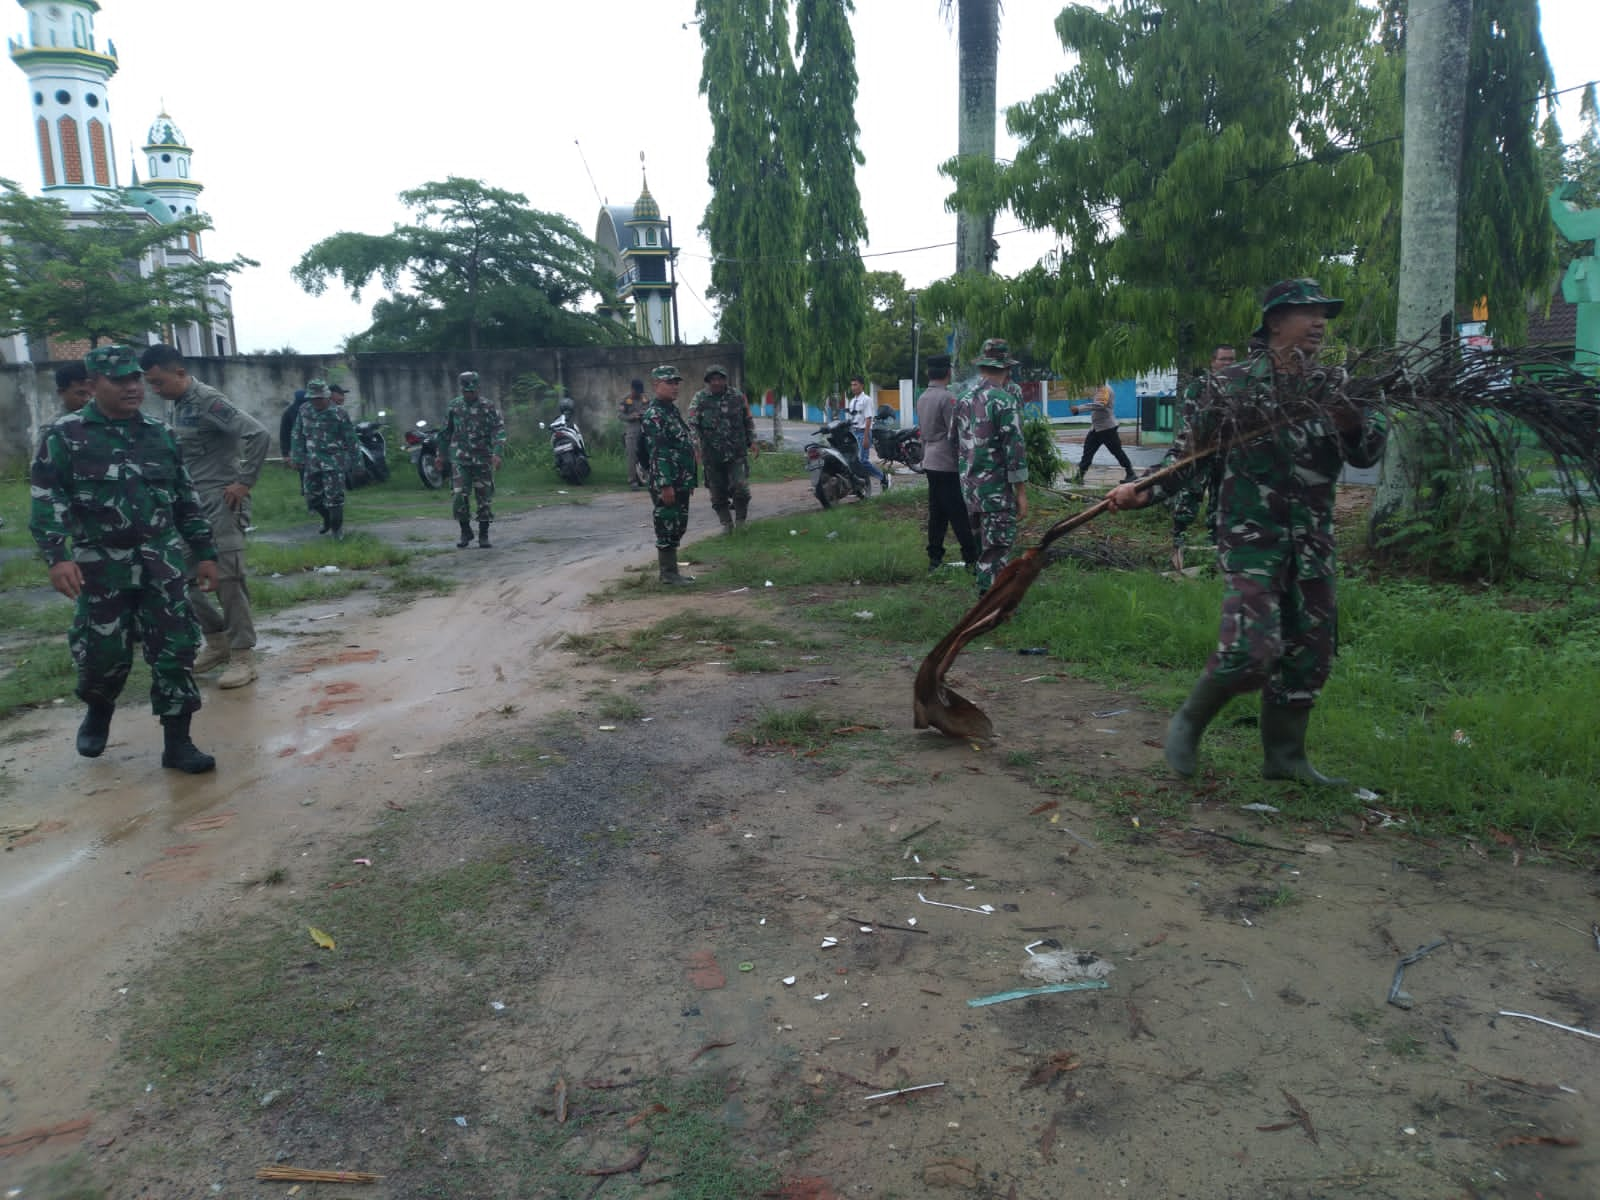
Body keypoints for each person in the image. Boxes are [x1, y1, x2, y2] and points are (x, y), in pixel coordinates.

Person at [1107, 278, 1387, 785]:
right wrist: (1142, 490)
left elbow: (1368, 454)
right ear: (1275, 321)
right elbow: (1188, 458)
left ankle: (1285, 759)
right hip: (1252, 540)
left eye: (1325, 313)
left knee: (1310, 651)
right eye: (1308, 312)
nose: (1320, 322)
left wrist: (1351, 423)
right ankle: (1190, 721)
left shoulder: (1336, 386)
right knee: (1251, 650)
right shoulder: (1227, 386)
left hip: (1314, 542)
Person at [28, 345, 219, 773]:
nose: (133, 387)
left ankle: (178, 742)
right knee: (102, 655)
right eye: (120, 381)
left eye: (136, 378)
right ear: (94, 385)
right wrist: (57, 558)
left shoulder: (160, 434)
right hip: (100, 568)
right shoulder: (64, 435)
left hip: (161, 563)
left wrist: (205, 553)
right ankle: (98, 709)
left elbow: (185, 500)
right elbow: (46, 498)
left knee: (175, 649)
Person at [139, 344, 271, 690]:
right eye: (150, 384)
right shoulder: (178, 406)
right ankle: (217, 641)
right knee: (181, 578)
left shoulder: (207, 401)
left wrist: (244, 482)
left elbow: (258, 434)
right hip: (188, 507)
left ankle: (243, 656)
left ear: (179, 373)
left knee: (228, 580)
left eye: (159, 382)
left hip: (220, 503)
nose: (155, 390)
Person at [955, 338, 1029, 594]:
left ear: (982, 367)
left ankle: (984, 597)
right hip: (997, 493)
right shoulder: (1004, 401)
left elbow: (956, 443)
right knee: (996, 552)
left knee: (981, 550)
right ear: (1007, 368)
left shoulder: (963, 399)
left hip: (970, 491)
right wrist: (1021, 492)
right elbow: (1015, 451)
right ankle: (991, 606)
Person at [1170, 344, 1238, 567]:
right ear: (1212, 362)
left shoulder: (1240, 388)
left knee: (1222, 497)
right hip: (1199, 452)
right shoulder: (1199, 387)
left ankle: (1215, 540)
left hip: (1226, 453)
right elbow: (1188, 419)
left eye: (1231, 360)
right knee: (1191, 493)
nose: (1227, 364)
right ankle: (1179, 535)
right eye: (1223, 359)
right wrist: (1189, 449)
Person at [916, 354, 978, 572]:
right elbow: (955, 433)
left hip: (930, 459)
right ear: (948, 372)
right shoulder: (948, 398)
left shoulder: (923, 397)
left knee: (938, 512)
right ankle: (971, 557)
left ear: (928, 373)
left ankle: (935, 557)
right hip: (947, 461)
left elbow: (922, 432)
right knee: (957, 511)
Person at [637, 364, 698, 585]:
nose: (674, 387)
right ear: (656, 385)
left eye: (676, 382)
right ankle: (668, 574)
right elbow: (658, 453)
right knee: (667, 523)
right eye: (669, 382)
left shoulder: (670, 411)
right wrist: (665, 485)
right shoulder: (655, 415)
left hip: (680, 478)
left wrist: (688, 477)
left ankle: (672, 573)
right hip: (668, 481)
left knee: (678, 524)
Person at [435, 370, 506, 548]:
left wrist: (497, 453)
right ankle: (465, 531)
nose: (470, 394)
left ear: (478, 388)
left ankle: (483, 534)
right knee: (459, 495)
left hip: (482, 458)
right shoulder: (454, 406)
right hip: (460, 459)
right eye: (466, 391)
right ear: (461, 390)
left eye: (472, 390)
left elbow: (498, 430)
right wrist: (440, 455)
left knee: (484, 498)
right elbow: (445, 433)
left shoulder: (488, 406)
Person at [687, 364, 758, 534]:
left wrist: (753, 441)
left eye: (719, 379)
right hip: (711, 455)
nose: (716, 382)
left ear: (725, 380)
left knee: (741, 487)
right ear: (708, 381)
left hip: (736, 453)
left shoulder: (737, 397)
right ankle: (726, 524)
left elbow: (747, 419)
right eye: (713, 379)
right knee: (717, 493)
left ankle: (741, 522)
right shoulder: (700, 399)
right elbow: (692, 424)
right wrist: (695, 447)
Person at [288, 379, 358, 538]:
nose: (316, 401)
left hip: (334, 462)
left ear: (327, 396)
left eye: (319, 398)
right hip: (311, 461)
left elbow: (351, 438)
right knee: (312, 497)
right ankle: (327, 519)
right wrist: (297, 456)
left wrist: (357, 462)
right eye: (313, 398)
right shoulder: (304, 410)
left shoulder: (339, 413)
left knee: (335, 498)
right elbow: (297, 434)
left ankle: (336, 530)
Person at [1070, 385, 1136, 485]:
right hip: (1096, 428)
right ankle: (1079, 476)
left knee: (1117, 451)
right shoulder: (1099, 389)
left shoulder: (1105, 389)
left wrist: (1079, 408)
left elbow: (1100, 405)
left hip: (1107, 428)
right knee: (1088, 451)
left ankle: (1130, 473)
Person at [844, 374, 890, 492]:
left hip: (863, 433)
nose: (853, 387)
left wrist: (865, 438)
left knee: (863, 461)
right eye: (852, 385)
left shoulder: (866, 400)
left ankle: (883, 477)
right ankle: (860, 485)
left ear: (862, 385)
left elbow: (868, 419)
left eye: (855, 385)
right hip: (853, 433)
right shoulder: (853, 401)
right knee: (853, 461)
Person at [619, 378, 648, 489]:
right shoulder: (626, 400)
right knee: (632, 455)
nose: (639, 393)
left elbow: (650, 409)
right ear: (632, 389)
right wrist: (632, 416)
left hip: (645, 429)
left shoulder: (645, 398)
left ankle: (648, 477)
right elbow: (620, 415)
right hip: (632, 429)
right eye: (637, 391)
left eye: (640, 391)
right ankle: (632, 481)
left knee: (647, 454)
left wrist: (644, 413)